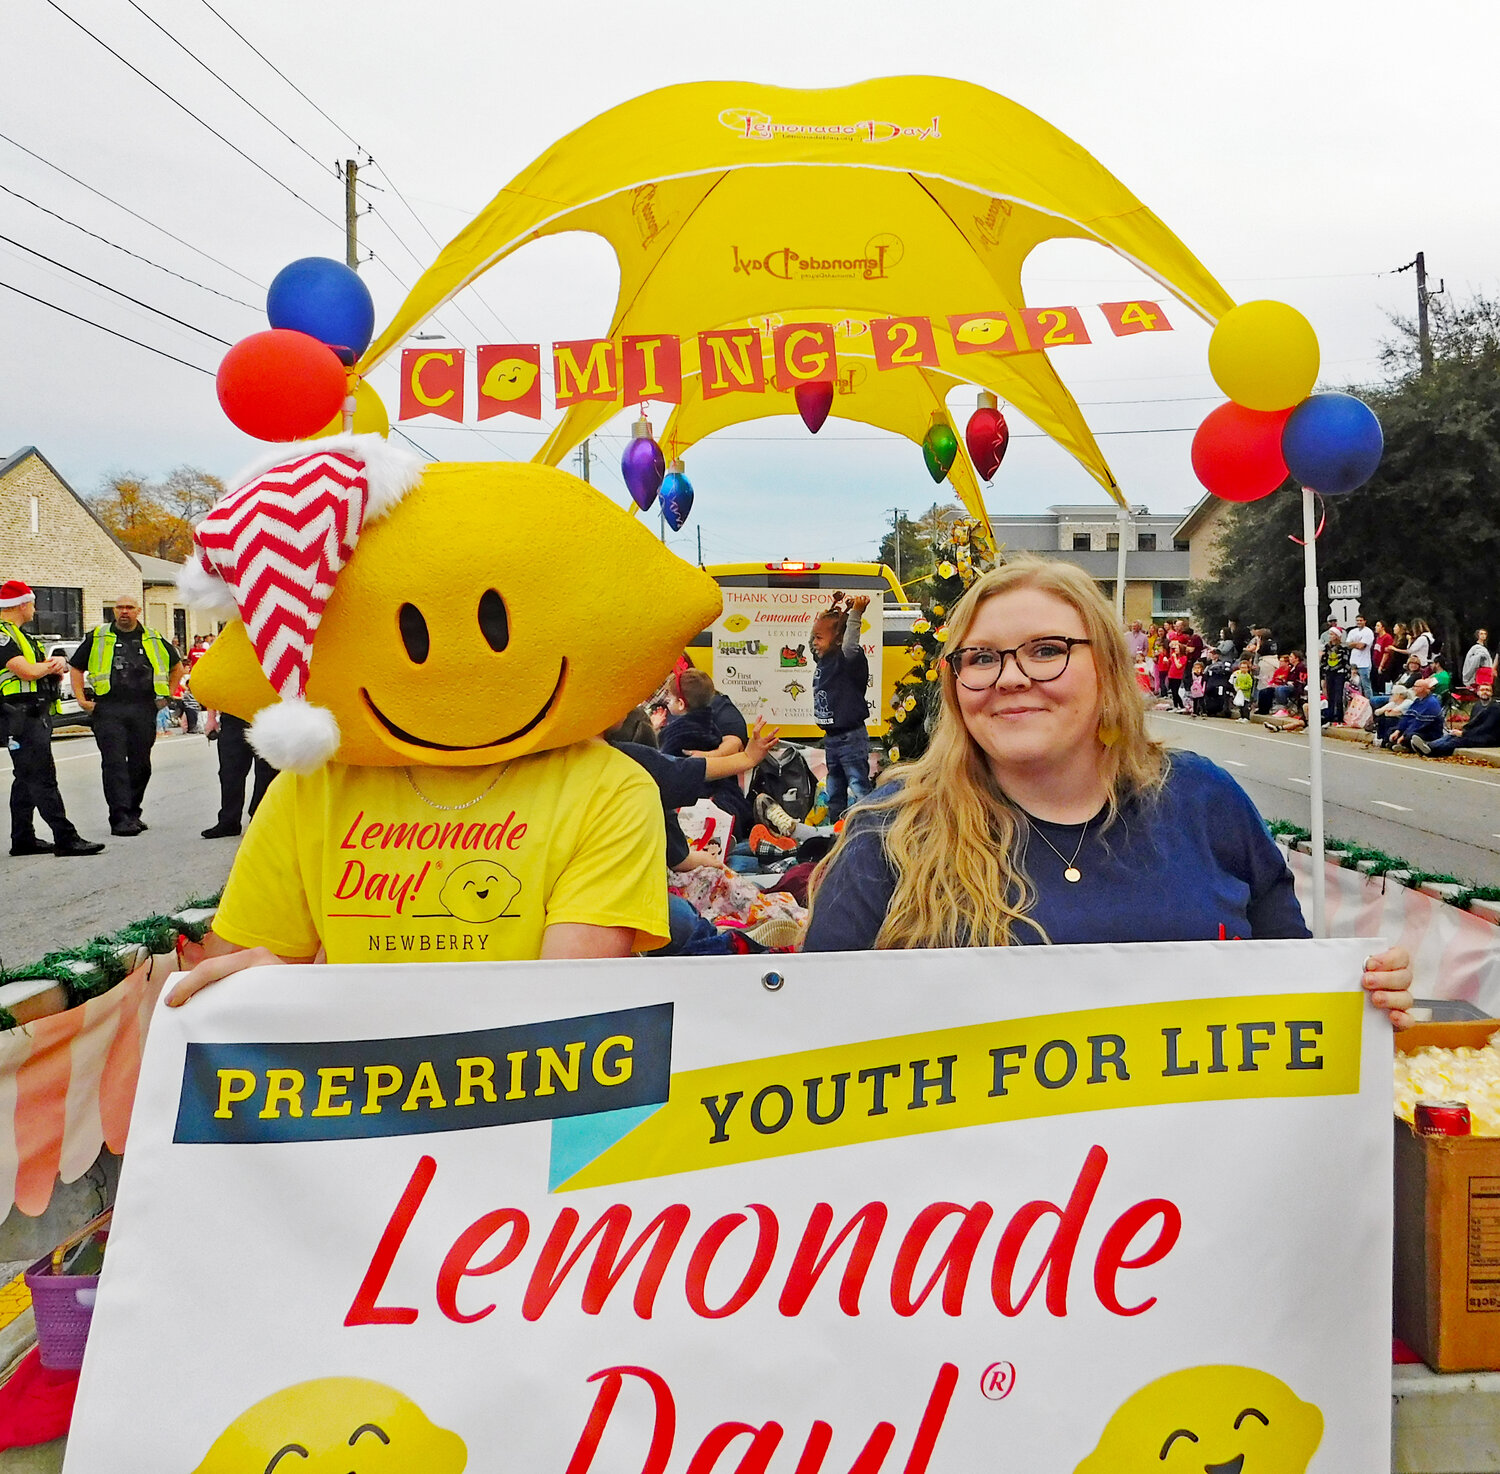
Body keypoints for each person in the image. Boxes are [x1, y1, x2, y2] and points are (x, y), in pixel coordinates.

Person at [799, 559, 1412, 1027]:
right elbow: (811, 1032)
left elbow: (1294, 992)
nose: (1011, 677)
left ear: (1109, 670)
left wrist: (1367, 998)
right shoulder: (892, 831)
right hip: (974, 1197)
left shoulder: (1203, 800)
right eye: (981, 658)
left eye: (1047, 651)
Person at [0, 581, 104, 857]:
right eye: (33, 603)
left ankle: (23, 839)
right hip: (20, 714)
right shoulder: (3, 635)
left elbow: (37, 670)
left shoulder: (22, 635)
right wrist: (51, 665)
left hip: (30, 713)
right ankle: (66, 838)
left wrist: (52, 668)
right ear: (22, 604)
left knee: (25, 779)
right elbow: (25, 671)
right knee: (42, 777)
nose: (35, 609)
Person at [69, 595, 184, 836]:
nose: (124, 612)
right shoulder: (98, 636)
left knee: (141, 764)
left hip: (143, 707)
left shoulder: (152, 637)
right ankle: (119, 818)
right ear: (113, 611)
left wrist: (167, 696)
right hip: (109, 708)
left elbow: (177, 667)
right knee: (114, 764)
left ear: (138, 610)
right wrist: (81, 700)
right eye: (120, 607)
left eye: (129, 608)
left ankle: (133, 812)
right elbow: (76, 667)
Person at [811, 591, 873, 821]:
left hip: (851, 737)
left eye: (819, 638)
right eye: (814, 637)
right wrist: (832, 608)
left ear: (837, 640)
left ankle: (867, 824)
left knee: (858, 785)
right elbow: (816, 638)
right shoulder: (823, 659)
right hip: (832, 738)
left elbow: (850, 641)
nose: (814, 642)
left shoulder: (846, 658)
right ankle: (836, 826)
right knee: (834, 787)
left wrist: (855, 613)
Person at [201, 710, 278, 839]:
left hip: (268, 715)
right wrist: (211, 718)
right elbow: (216, 690)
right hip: (233, 716)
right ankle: (229, 821)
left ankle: (259, 818)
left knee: (266, 772)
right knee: (229, 772)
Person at [1415, 679, 1498, 757]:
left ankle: (1431, 751)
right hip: (1476, 735)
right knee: (1451, 735)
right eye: (1483, 690)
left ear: (1492, 693)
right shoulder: (1477, 705)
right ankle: (1428, 746)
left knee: (1458, 741)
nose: (1485, 692)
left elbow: (1486, 728)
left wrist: (1464, 734)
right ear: (1478, 692)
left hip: (1487, 738)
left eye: (1488, 690)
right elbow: (1472, 724)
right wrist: (1462, 731)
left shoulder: (1495, 708)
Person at [1384, 678, 1445, 752]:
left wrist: (1404, 735)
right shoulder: (1417, 701)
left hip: (1428, 732)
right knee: (1392, 730)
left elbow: (1419, 724)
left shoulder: (1431, 703)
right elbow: (1407, 717)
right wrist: (1398, 730)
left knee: (1410, 736)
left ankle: (1408, 746)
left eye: (1416, 686)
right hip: (1414, 729)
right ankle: (1399, 744)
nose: (1413, 688)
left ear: (1422, 689)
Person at [1319, 631, 1350, 724]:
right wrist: (1323, 674)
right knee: (1330, 694)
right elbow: (1324, 660)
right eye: (1330, 634)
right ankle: (1330, 714)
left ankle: (1338, 715)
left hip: (1339, 673)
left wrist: (1347, 674)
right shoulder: (1327, 647)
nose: (1330, 636)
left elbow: (1346, 661)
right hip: (1329, 672)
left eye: (1332, 634)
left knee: (1338, 695)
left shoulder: (1343, 648)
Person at [1345, 614, 1375, 700]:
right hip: (1353, 662)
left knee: (1366, 685)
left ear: (1365, 621)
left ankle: (1369, 702)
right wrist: (1356, 643)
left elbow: (1361, 646)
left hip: (1364, 663)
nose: (1359, 622)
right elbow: (1347, 645)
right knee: (1354, 685)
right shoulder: (1352, 631)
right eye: (1357, 620)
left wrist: (1354, 643)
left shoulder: (1368, 632)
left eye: (1361, 620)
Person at [1371, 620, 1394, 695]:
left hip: (1383, 665)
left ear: (1383, 627)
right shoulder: (1377, 637)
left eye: (1378, 626)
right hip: (1375, 663)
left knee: (1382, 684)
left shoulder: (1387, 637)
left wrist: (1381, 665)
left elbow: (1386, 653)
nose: (1376, 627)